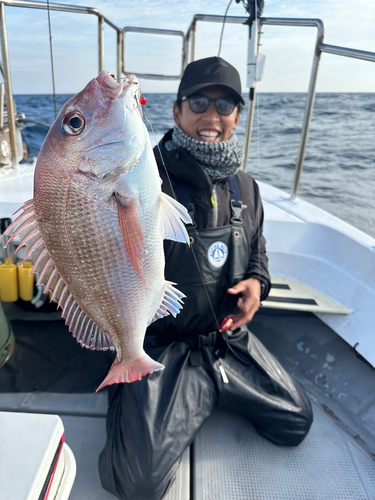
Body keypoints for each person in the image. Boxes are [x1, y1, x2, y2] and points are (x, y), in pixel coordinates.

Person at [99, 56, 313, 500]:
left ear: (237, 117)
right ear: (176, 111)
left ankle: (209, 389)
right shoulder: (142, 175)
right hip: (164, 344)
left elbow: (257, 252)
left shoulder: (247, 187)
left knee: (296, 421)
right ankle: (134, 394)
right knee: (135, 484)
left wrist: (257, 284)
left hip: (226, 341)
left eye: (224, 105)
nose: (211, 115)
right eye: (198, 101)